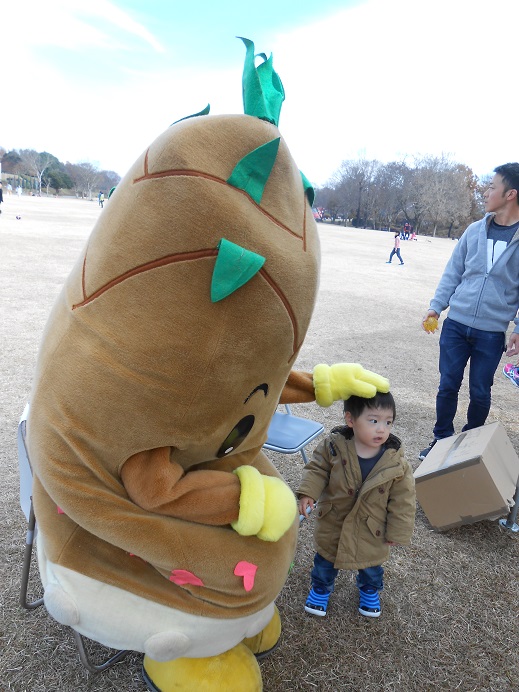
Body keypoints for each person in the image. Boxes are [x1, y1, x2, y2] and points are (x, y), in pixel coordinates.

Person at [419, 163, 519, 460]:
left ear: (510, 194)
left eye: (492, 187)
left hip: (491, 332)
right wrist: (436, 307)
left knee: (480, 391)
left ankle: (470, 443)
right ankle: (441, 440)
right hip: (456, 325)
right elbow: (453, 272)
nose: (486, 192)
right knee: (447, 384)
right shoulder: (474, 230)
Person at [298, 391, 415, 619]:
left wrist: (398, 530)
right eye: (373, 421)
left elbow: (404, 500)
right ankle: (321, 589)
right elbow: (317, 469)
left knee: (371, 564)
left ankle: (369, 590)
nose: (381, 428)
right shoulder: (334, 447)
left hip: (372, 527)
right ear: (350, 420)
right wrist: (308, 493)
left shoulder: (396, 462)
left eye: (387, 422)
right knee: (325, 560)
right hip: (334, 519)